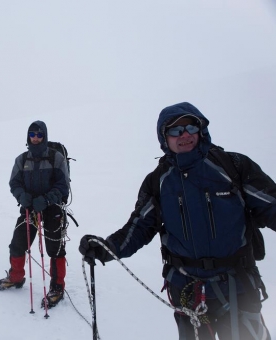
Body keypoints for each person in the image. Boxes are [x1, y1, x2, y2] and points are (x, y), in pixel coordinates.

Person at [79, 102, 275, 339]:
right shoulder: (158, 181)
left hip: (237, 285)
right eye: (175, 130)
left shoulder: (233, 166)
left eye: (190, 127)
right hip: (187, 289)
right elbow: (140, 226)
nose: (184, 135)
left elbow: (271, 205)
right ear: (164, 137)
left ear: (200, 130)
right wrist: (106, 248)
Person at [0, 120, 70, 308]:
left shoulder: (56, 158)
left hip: (52, 208)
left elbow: (63, 185)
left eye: (39, 135)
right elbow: (14, 183)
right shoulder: (22, 160)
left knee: (55, 249)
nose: (35, 138)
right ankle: (16, 277)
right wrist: (22, 196)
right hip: (29, 208)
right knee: (18, 243)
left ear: (45, 136)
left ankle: (57, 286)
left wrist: (47, 199)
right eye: (32, 135)